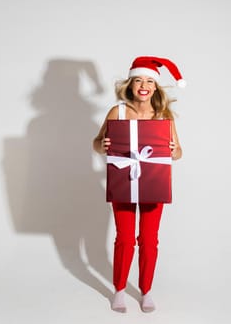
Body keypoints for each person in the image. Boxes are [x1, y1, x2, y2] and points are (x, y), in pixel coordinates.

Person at [93, 56, 185, 313]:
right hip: (123, 182)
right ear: (131, 84)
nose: (143, 85)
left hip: (154, 183)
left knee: (148, 239)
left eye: (149, 81)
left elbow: (178, 153)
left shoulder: (164, 116)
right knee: (124, 239)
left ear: (155, 87)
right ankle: (119, 290)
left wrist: (172, 148)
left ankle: (146, 291)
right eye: (138, 80)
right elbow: (97, 143)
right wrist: (103, 145)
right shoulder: (118, 112)